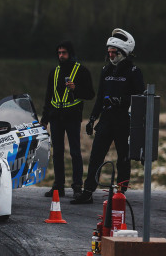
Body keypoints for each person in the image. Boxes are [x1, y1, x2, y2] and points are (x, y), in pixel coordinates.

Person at [71, 28, 145, 204]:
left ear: (123, 52)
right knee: (96, 155)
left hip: (124, 121)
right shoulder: (106, 70)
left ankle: (121, 192)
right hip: (106, 119)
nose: (110, 56)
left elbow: (140, 96)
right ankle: (88, 191)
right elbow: (100, 97)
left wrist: (121, 100)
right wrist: (92, 119)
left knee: (123, 158)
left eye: (114, 53)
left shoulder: (134, 71)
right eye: (109, 52)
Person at [40, 40, 95, 199]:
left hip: (72, 116)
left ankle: (77, 186)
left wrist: (75, 89)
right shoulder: (54, 72)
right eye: (59, 53)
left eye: (64, 53)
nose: (61, 56)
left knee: (75, 152)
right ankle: (58, 186)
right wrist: (44, 119)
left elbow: (90, 94)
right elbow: (48, 97)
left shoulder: (81, 71)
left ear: (70, 53)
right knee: (57, 153)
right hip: (56, 117)